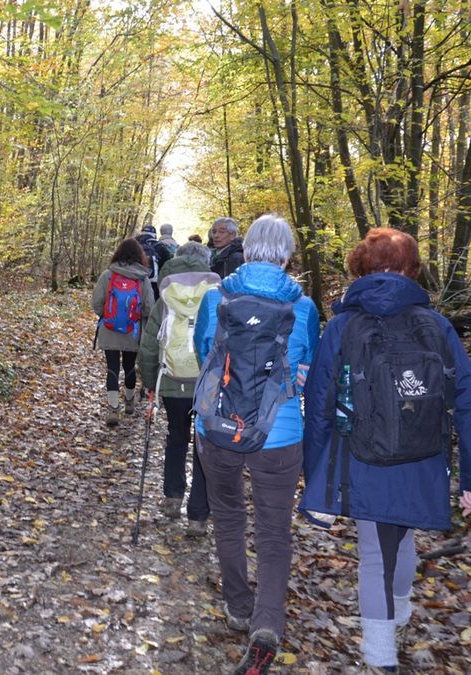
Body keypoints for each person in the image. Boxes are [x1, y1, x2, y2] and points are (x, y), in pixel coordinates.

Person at [301, 228, 471, 673]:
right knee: (402, 535)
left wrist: (315, 479)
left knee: (374, 552)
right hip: (423, 457)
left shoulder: (345, 325)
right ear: (412, 269)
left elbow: (320, 404)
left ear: (362, 267)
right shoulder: (436, 325)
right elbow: (469, 401)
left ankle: (380, 655)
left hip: (363, 457)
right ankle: (399, 621)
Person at [192, 215, 319, 674]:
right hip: (279, 435)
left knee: (227, 516)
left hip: (217, 427)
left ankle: (238, 606)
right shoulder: (303, 306)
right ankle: (266, 623)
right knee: (273, 530)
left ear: (246, 251)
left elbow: (201, 349)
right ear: (287, 254)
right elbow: (309, 364)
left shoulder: (215, 297)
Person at [138, 242, 219, 536]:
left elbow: (149, 347)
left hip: (172, 381)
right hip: (208, 383)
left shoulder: (166, 297)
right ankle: (198, 515)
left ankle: (172, 497)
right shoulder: (217, 297)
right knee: (204, 446)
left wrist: (149, 383)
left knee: (176, 437)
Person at [92, 238, 155, 426]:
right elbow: (149, 307)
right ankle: (129, 401)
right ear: (140, 256)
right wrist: (135, 318)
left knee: (112, 367)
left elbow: (96, 302)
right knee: (129, 366)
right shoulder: (142, 278)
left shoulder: (108, 275)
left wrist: (107, 316)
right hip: (133, 330)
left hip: (109, 328)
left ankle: (113, 409)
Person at [135, 224, 173, 299]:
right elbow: (167, 268)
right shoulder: (161, 247)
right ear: (154, 235)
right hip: (155, 285)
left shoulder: (133, 245)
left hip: (135, 283)